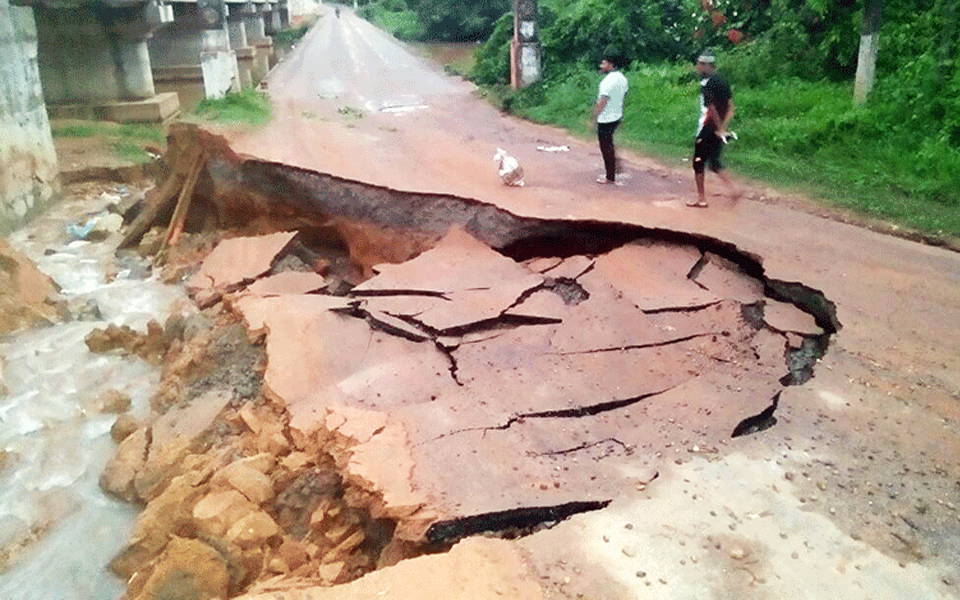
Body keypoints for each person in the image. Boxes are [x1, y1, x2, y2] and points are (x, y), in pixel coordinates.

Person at [688, 51, 742, 207]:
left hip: (707, 127)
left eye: (699, 64)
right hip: (718, 129)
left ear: (706, 65)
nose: (697, 67)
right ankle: (734, 189)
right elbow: (731, 108)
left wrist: (718, 128)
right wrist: (723, 129)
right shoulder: (723, 81)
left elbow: (711, 109)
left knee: (698, 162)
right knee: (714, 163)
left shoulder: (707, 83)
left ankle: (701, 199)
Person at [592, 53, 628, 185]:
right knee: (609, 144)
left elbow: (602, 101)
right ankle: (614, 166)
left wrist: (594, 116)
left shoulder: (607, 82)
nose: (602, 66)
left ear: (611, 65)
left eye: (604, 63)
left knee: (605, 146)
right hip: (617, 115)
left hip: (606, 118)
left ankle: (610, 176)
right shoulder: (623, 78)